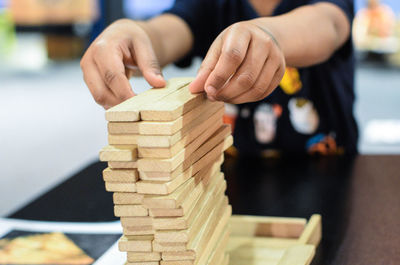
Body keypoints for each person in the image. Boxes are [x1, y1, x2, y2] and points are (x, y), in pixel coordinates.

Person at [81, 0, 358, 156]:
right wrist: (132, 33)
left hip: (328, 172)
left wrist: (270, 35)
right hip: (232, 180)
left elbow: (328, 25)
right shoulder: (210, 5)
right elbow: (165, 32)